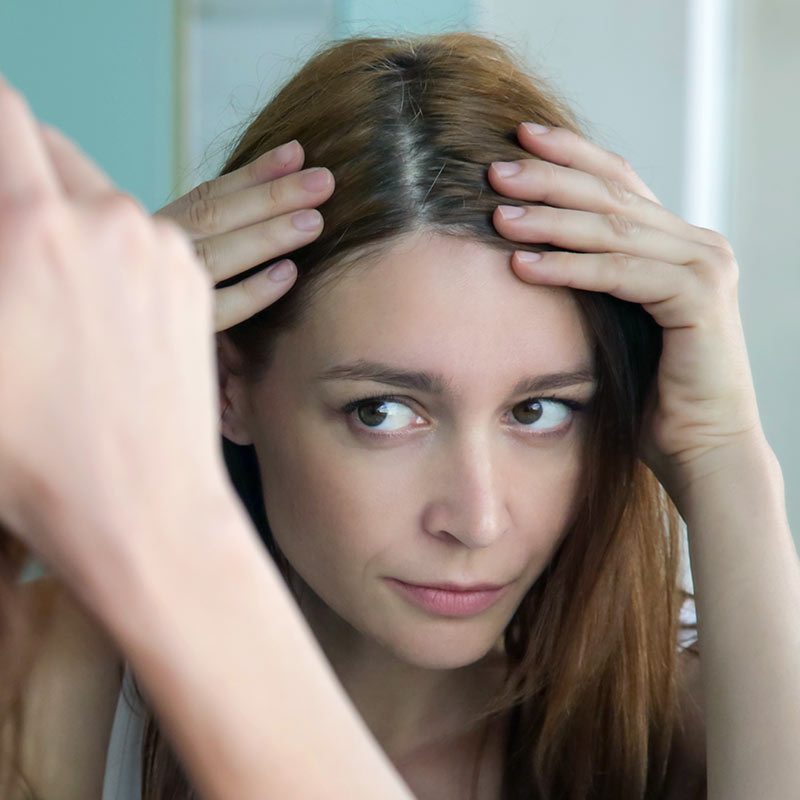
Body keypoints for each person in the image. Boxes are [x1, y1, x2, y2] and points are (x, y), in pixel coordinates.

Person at [1, 32, 798, 800]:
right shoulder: (50, 683)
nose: (478, 520)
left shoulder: (692, 728)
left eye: (538, 410)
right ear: (224, 386)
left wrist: (727, 456)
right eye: (382, 413)